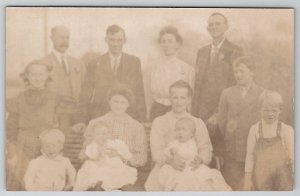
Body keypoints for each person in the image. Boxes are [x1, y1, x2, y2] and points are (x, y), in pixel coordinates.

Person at [191, 13, 243, 162]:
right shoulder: (201, 52)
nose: (213, 27)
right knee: (200, 154)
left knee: (220, 158)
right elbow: (198, 85)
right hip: (200, 114)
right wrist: (194, 116)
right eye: (211, 24)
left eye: (217, 24)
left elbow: (236, 86)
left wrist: (218, 114)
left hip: (223, 114)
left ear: (226, 27)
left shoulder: (235, 51)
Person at [145, 80, 213, 191]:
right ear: (170, 99)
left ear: (189, 99)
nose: (178, 102)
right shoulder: (160, 121)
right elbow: (156, 152)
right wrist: (170, 161)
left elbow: (205, 148)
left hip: (192, 168)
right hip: (166, 168)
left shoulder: (197, 122)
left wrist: (200, 159)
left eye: (182, 98)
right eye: (175, 97)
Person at [83, 83, 148, 190]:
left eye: (123, 102)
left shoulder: (136, 126)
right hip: (98, 169)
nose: (118, 106)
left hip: (124, 171)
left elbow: (142, 158)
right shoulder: (96, 123)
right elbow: (84, 152)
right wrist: (97, 155)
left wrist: (122, 158)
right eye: (115, 101)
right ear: (109, 101)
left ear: (128, 104)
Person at [6, 61, 58, 190]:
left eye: (41, 74)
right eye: (33, 74)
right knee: (22, 180)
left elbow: (59, 125)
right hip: (24, 144)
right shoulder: (19, 98)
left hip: (47, 144)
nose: (37, 78)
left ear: (47, 76)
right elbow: (10, 127)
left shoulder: (55, 97)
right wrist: (12, 151)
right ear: (27, 76)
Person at [39, 26, 86, 170]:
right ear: (52, 38)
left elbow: (84, 95)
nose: (64, 41)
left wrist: (82, 119)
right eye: (61, 37)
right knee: (57, 156)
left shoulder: (78, 63)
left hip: (77, 121)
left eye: (67, 37)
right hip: (55, 120)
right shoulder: (42, 64)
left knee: (76, 157)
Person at [79, 24, 147, 123]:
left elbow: (139, 93)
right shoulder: (94, 64)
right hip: (101, 117)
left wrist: (142, 119)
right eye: (112, 40)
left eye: (119, 40)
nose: (115, 44)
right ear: (106, 40)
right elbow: (85, 95)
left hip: (128, 116)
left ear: (125, 40)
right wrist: (80, 120)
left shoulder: (134, 62)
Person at [217, 56, 264, 190]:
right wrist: (230, 136)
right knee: (234, 185)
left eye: (242, 71)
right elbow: (222, 121)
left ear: (252, 72)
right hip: (233, 149)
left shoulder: (261, 93)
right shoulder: (227, 93)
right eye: (236, 72)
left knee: (254, 185)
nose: (238, 75)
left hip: (254, 149)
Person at [157, 117, 231, 191]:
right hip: (176, 167)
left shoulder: (191, 143)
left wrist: (176, 152)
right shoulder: (173, 143)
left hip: (190, 166)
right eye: (178, 130)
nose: (180, 132)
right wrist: (169, 153)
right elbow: (166, 152)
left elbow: (190, 154)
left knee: (196, 181)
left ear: (191, 135)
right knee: (169, 177)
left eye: (184, 130)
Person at [244, 91, 293, 191]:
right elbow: (250, 155)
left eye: (274, 111)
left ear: (280, 110)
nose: (270, 114)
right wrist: (247, 179)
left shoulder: (286, 129)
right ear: (260, 110)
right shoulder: (254, 129)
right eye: (266, 110)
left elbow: (293, 156)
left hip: (282, 176)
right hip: (262, 177)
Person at [74, 121, 137, 191]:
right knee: (92, 170)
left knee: (114, 166)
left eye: (104, 133)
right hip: (97, 164)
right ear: (93, 136)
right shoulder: (92, 145)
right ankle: (97, 184)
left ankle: (107, 186)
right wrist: (99, 152)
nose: (101, 136)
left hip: (110, 164)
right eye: (98, 134)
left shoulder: (112, 144)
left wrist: (116, 154)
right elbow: (91, 156)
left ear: (108, 134)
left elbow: (124, 155)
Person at [149, 25, 194, 121]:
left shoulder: (186, 69)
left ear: (177, 44)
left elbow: (190, 98)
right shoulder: (154, 67)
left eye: (170, 41)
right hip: (157, 110)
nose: (166, 45)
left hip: (178, 110)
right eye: (163, 42)